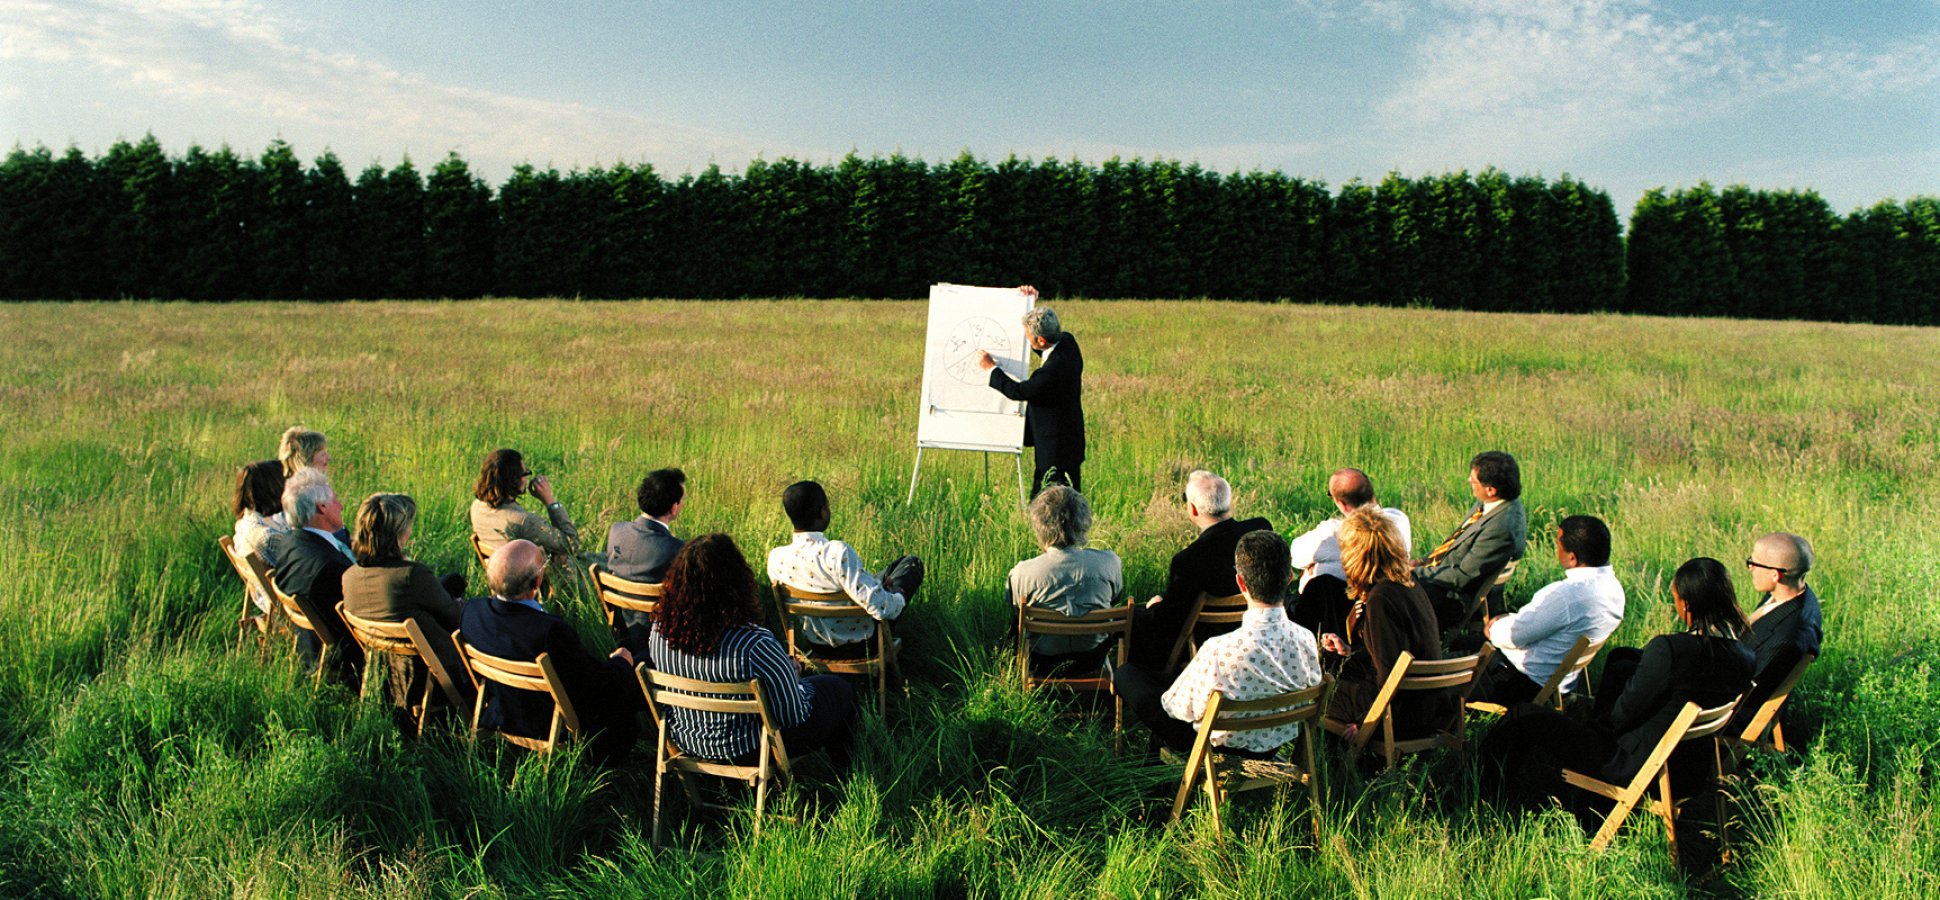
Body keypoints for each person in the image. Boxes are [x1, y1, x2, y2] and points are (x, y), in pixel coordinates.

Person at [1480, 558, 1754, 824]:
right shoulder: (1746, 657)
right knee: (1623, 663)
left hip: (1633, 767)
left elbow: (1622, 715)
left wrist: (1587, 729)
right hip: (1688, 772)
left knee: (1523, 715)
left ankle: (1482, 795)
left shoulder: (1671, 649)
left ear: (1687, 604)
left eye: (1676, 599)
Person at [649, 534, 857, 767]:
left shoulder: (658, 633)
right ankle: (848, 774)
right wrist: (793, 680)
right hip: (748, 749)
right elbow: (793, 716)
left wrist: (782, 673)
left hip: (690, 742)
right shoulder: (754, 643)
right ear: (736, 583)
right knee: (840, 689)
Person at [1114, 530, 1322, 756]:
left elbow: (1176, 709)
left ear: (1241, 583)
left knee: (1126, 675)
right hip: (1271, 745)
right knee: (1168, 682)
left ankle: (1156, 770)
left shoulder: (1219, 649)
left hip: (1219, 749)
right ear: (1290, 578)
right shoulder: (1306, 639)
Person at [458, 540, 642, 765]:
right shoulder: (550, 632)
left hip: (501, 712)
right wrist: (621, 663)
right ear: (537, 581)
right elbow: (595, 689)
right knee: (634, 668)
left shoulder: (473, 612)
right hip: (548, 724)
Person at [1322, 506, 1458, 742]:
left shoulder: (1380, 600)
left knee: (1315, 694)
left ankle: (1325, 770)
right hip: (1430, 704)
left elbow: (1387, 680)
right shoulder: (1407, 583)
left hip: (1404, 715)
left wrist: (1365, 722)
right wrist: (1350, 650)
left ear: (1354, 555)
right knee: (1333, 673)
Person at [1466, 515, 1625, 706]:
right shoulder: (1615, 589)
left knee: (1440, 669)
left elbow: (1511, 637)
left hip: (1519, 682)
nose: (1556, 548)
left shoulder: (1565, 595)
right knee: (1465, 642)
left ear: (1572, 558)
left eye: (1558, 544)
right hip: (1558, 682)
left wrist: (1493, 627)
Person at [1128, 470, 1271, 672]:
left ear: (1193, 509)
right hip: (1256, 633)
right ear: (1228, 502)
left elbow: (1169, 621)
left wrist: (1154, 607)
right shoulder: (1260, 530)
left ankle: (1144, 678)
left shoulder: (1188, 560)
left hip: (1210, 642)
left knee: (1136, 617)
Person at [766, 480, 923, 660]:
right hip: (860, 643)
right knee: (911, 564)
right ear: (822, 512)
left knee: (891, 570)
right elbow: (879, 607)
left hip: (816, 643)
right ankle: (884, 587)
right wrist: (897, 595)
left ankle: (877, 585)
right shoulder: (838, 552)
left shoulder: (776, 558)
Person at [341, 493, 470, 712]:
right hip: (429, 677)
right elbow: (456, 619)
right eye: (408, 527)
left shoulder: (349, 577)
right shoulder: (411, 576)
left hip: (387, 678)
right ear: (398, 535)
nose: (410, 531)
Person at [975, 287, 1086, 495]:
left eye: (1029, 337)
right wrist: (1028, 304)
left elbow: (1018, 390)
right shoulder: (1068, 342)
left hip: (1055, 449)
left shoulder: (1050, 374)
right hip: (1071, 441)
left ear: (1041, 341)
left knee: (1046, 500)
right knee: (1072, 499)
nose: (1027, 339)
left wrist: (991, 368)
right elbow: (1043, 343)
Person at [1006, 484, 1123, 674]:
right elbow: (1115, 598)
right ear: (1084, 522)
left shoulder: (1021, 573)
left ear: (1039, 525)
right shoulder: (1110, 563)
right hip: (1093, 657)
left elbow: (1016, 612)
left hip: (1043, 661)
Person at [1287, 467, 1411, 640]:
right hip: (1386, 609)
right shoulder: (1398, 520)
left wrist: (1316, 568)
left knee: (1318, 585)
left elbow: (1295, 554)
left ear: (1341, 504)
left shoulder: (1334, 533)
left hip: (1345, 615)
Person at [1413, 450, 1528, 631]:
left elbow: (1463, 577)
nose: (1468, 481)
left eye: (1473, 480)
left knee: (1386, 594)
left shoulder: (1502, 527)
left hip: (1452, 597)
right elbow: (1452, 544)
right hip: (1441, 576)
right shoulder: (1489, 505)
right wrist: (1421, 562)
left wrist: (1415, 572)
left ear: (1490, 490)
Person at [267, 468, 362, 676]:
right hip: (344, 665)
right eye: (336, 501)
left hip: (307, 650)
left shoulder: (291, 543)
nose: (341, 506)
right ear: (322, 508)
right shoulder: (329, 567)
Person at [1737, 532, 1824, 731]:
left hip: (1737, 716)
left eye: (1754, 563)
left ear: (1776, 574)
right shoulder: (1794, 595)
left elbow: (1749, 691)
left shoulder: (1787, 638)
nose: (1750, 568)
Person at [606, 467, 688, 645]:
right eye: (682, 501)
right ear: (674, 508)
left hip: (624, 626)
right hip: (658, 635)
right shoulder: (677, 549)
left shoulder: (616, 531)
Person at [471, 448, 581, 559]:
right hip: (538, 574)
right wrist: (551, 502)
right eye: (525, 473)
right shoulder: (525, 522)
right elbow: (571, 544)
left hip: (500, 571)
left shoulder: (476, 507)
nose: (527, 478)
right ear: (514, 479)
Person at [231, 459, 290, 606]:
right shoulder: (268, 538)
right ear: (275, 489)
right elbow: (304, 568)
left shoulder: (245, 522)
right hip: (287, 605)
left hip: (263, 597)